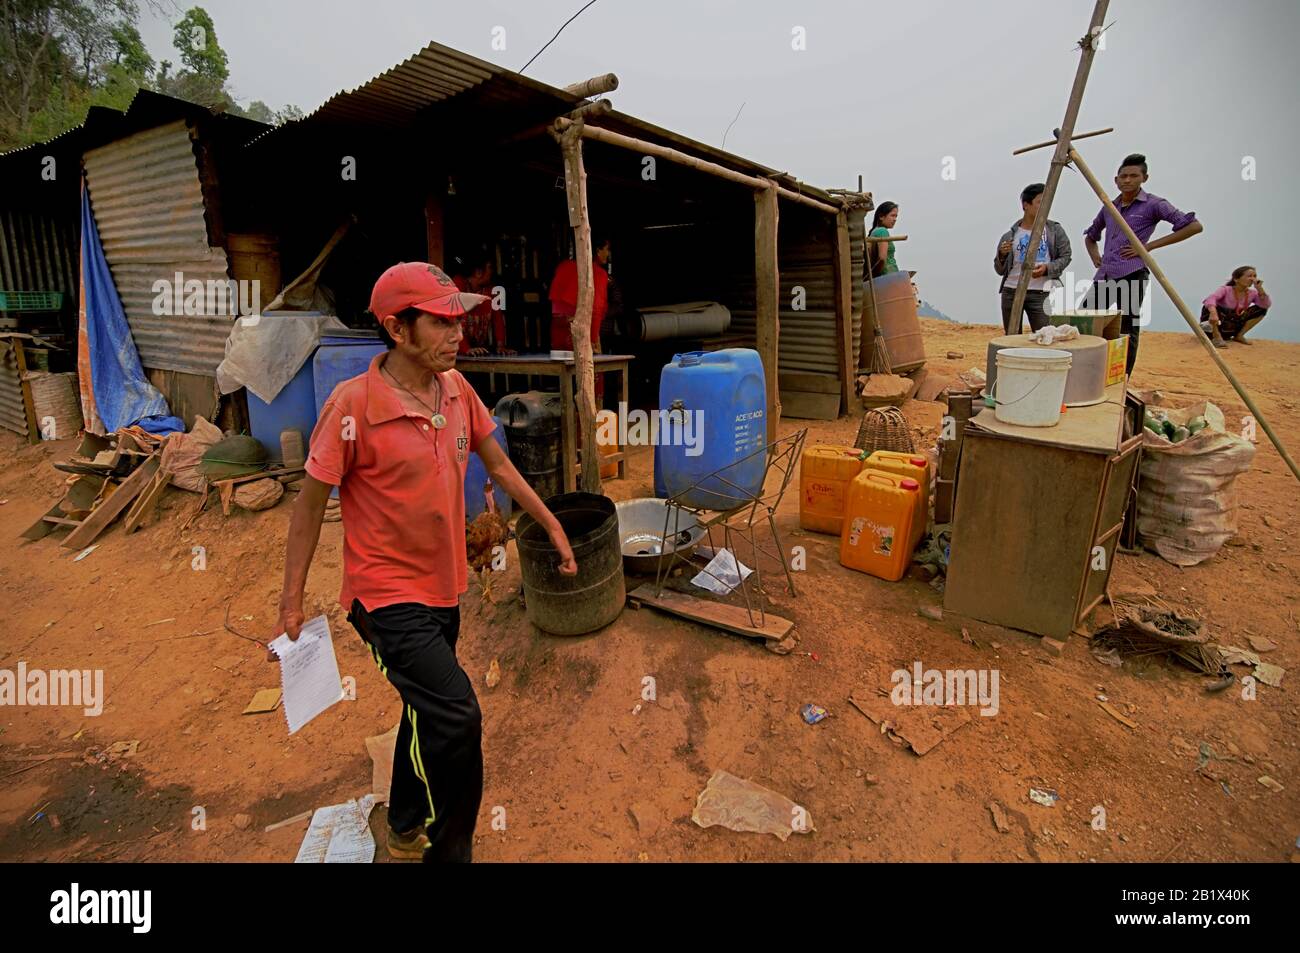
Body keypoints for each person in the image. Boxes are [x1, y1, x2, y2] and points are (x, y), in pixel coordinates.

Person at [272, 262, 578, 863]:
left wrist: (551, 523)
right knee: (458, 716)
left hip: (444, 587)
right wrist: (291, 599)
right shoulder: (351, 406)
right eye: (439, 322)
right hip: (383, 598)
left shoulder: (458, 390)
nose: (456, 332)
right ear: (396, 328)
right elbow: (308, 508)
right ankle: (449, 851)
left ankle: (405, 825)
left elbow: (501, 466)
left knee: (425, 707)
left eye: (457, 318)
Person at [1083, 153, 1203, 375]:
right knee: (1086, 321)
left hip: (1132, 273)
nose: (1128, 180)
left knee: (1127, 329)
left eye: (1133, 176)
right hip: (1106, 275)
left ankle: (1122, 377)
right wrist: (1094, 255)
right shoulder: (1109, 206)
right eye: (1123, 176)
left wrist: (1147, 247)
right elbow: (1091, 235)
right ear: (1116, 180)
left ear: (1144, 178)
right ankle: (1088, 371)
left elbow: (1194, 226)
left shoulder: (1154, 204)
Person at [994, 183, 1072, 333]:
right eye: (1040, 202)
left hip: (1041, 292)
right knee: (1012, 338)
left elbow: (1066, 256)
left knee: (1045, 335)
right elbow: (999, 269)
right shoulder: (1011, 235)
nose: (1045, 206)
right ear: (1026, 205)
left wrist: (1047, 269)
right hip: (1012, 291)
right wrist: (1002, 255)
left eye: (1047, 202)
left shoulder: (1054, 231)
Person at [548, 234, 611, 352]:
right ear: (597, 250)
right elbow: (596, 310)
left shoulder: (563, 267)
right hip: (580, 333)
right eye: (607, 249)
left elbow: (556, 309)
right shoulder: (598, 273)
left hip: (558, 331)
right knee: (591, 369)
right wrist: (593, 341)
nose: (608, 254)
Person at [451, 252, 514, 356]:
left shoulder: (491, 290)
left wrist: (501, 346)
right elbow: (452, 321)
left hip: (478, 351)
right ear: (479, 272)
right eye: (490, 268)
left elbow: (498, 320)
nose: (492, 271)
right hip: (455, 351)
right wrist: (466, 349)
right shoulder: (457, 285)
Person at [1201, 266, 1271, 348]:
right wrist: (1213, 313)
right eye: (1249, 276)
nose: (1253, 279)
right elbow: (1210, 299)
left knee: (1261, 309)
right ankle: (1216, 337)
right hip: (1215, 325)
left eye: (1254, 276)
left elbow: (1266, 304)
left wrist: (1260, 289)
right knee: (1212, 307)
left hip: (1232, 324)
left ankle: (1239, 335)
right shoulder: (1225, 290)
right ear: (1236, 279)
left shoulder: (1252, 293)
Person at [868, 202, 899, 278]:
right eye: (892, 216)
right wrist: (875, 275)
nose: (895, 219)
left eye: (896, 216)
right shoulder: (882, 231)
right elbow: (882, 258)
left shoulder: (874, 232)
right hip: (889, 278)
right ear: (881, 216)